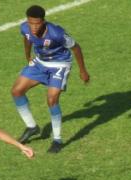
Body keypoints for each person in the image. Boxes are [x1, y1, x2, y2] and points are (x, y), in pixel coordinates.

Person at [11, 4, 90, 153]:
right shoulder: (25, 28)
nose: (33, 27)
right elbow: (27, 39)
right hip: (40, 63)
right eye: (31, 23)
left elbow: (76, 47)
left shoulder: (57, 33)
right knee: (16, 91)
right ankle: (32, 127)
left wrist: (83, 70)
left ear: (43, 21)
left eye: (37, 23)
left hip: (59, 65)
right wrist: (27, 56)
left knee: (51, 99)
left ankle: (57, 140)